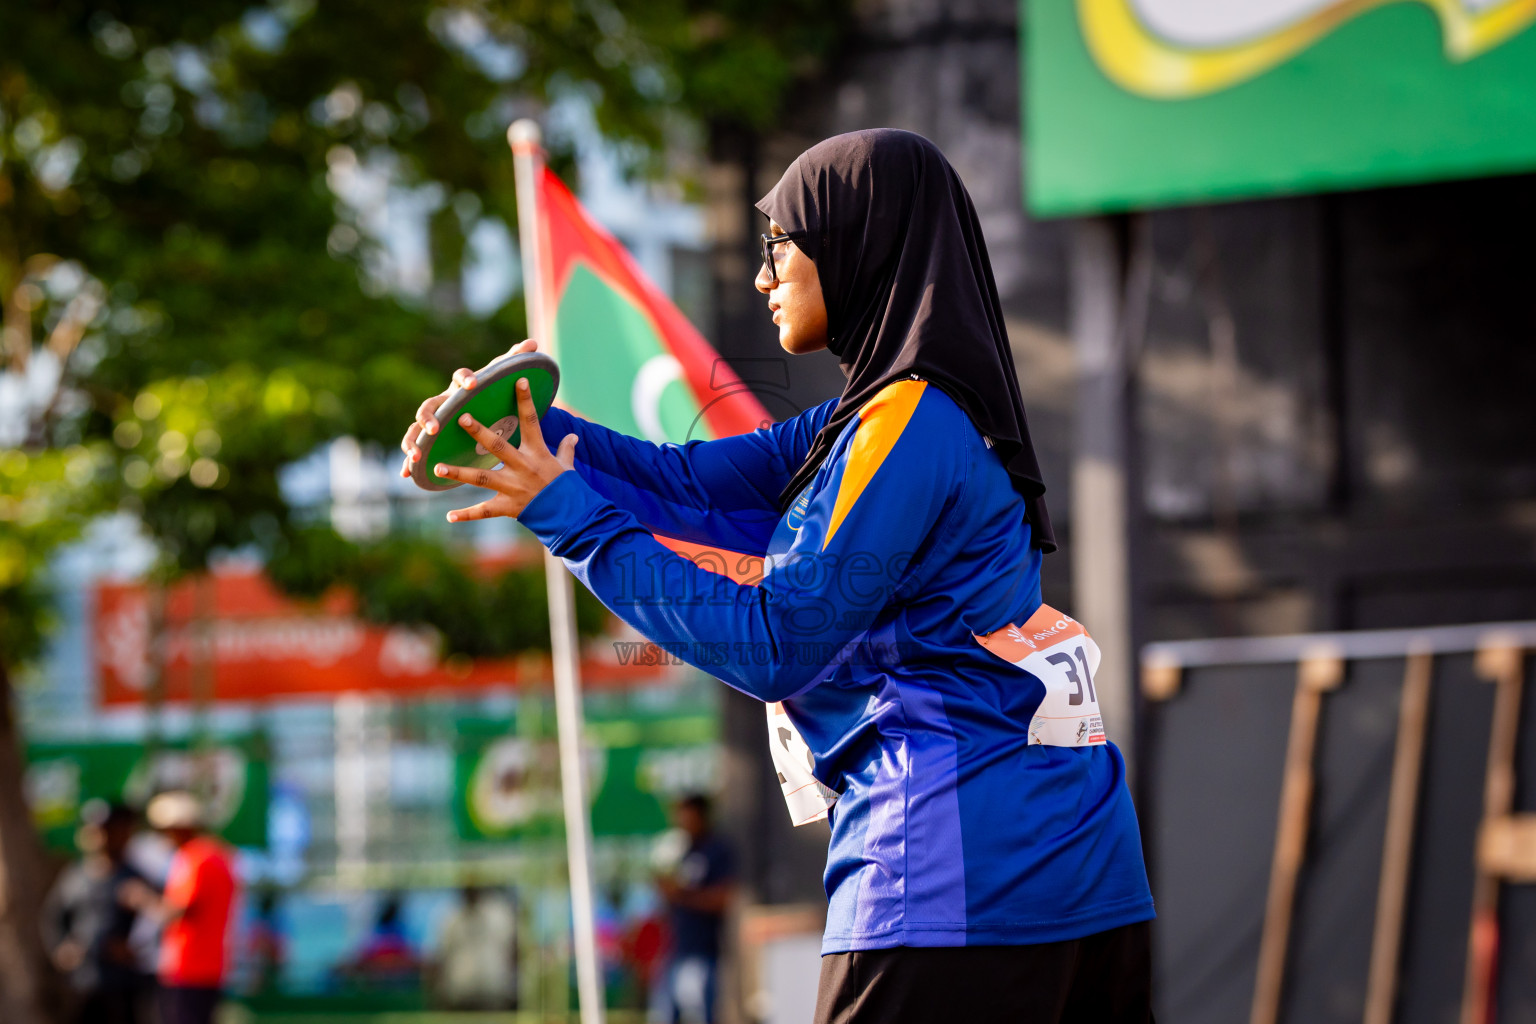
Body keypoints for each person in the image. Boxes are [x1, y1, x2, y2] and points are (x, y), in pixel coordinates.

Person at [401, 128, 1155, 1023]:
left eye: (778, 249)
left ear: (855, 243)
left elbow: (775, 645)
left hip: (952, 869)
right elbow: (682, 482)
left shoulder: (904, 424)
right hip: (1072, 861)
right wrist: (520, 427)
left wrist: (565, 516)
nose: (763, 278)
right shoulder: (877, 418)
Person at [119, 791, 238, 1024]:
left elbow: (178, 912)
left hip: (190, 967)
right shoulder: (218, 855)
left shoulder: (196, 858)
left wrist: (142, 899)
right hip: (208, 966)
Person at [44, 802, 155, 1024]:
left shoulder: (136, 878)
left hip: (124, 985)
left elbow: (160, 924)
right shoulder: (76, 876)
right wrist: (62, 948)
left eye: (112, 830)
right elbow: (53, 917)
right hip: (84, 980)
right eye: (100, 830)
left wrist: (136, 948)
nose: (105, 836)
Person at [654, 795, 736, 1024]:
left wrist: (680, 893)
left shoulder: (717, 851)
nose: (683, 822)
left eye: (688, 816)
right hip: (675, 951)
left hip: (704, 953)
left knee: (701, 1015)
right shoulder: (680, 851)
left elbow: (722, 899)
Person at [428, 885, 518, 1010]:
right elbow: (441, 956)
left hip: (494, 993)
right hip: (460, 994)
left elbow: (512, 951)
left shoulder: (500, 914)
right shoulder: (450, 916)